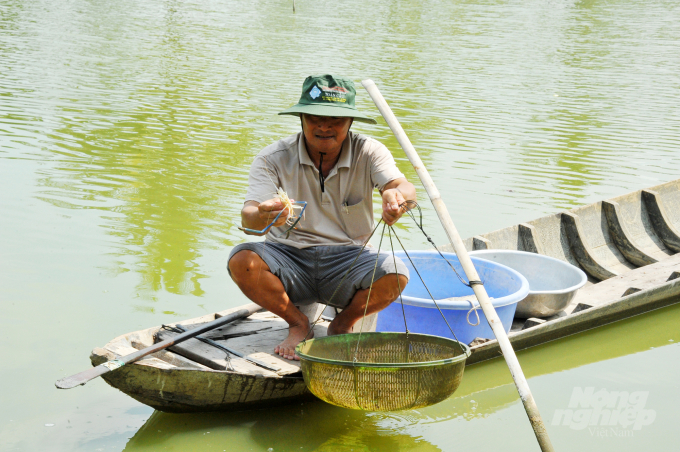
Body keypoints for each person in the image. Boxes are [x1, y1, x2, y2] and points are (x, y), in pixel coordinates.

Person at [228, 74, 416, 360]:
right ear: (301, 118)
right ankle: (298, 323)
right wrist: (265, 214)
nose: (324, 126)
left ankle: (342, 324)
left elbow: (404, 187)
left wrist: (397, 198)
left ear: (350, 123)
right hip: (288, 256)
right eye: (315, 117)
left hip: (349, 258)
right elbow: (248, 218)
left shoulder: (369, 151)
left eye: (336, 119)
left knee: (396, 273)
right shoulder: (273, 157)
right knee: (242, 260)